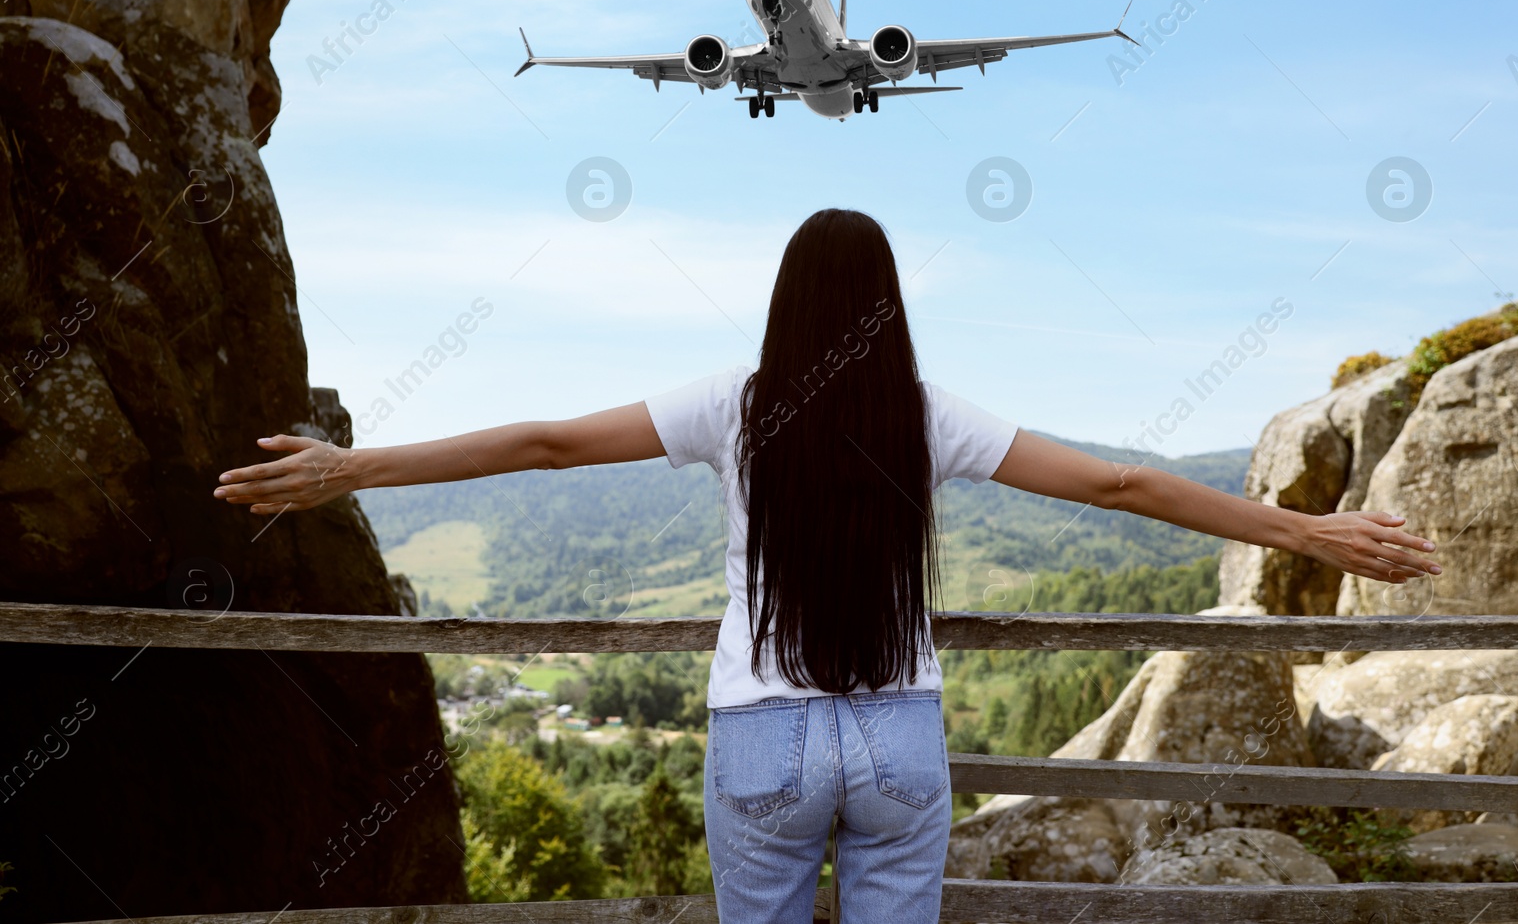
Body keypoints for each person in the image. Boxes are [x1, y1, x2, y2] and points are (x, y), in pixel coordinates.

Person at [214, 208, 1442, 922]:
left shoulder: (730, 404)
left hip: (760, 737)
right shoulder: (923, 410)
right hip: (899, 741)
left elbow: (543, 444)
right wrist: (1310, 530)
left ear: (784, 303)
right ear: (888, 305)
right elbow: (1123, 485)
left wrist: (354, 466)